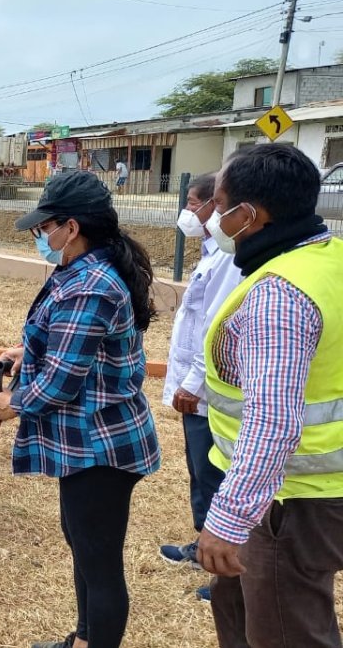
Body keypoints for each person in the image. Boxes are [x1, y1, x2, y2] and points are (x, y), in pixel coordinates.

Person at [0, 171, 160, 648]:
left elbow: (62, 381)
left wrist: (12, 403)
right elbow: (74, 346)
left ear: (71, 227)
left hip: (101, 445)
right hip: (84, 442)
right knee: (82, 546)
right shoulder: (79, 270)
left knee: (99, 563)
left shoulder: (91, 284)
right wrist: (27, 354)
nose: (41, 237)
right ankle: (83, 639)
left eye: (45, 228)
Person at [194, 144, 343, 648]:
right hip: (303, 488)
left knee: (288, 628)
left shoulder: (280, 294)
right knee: (238, 604)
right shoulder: (330, 260)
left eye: (218, 204)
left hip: (292, 497)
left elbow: (272, 419)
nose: (211, 216)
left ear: (249, 215)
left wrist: (230, 517)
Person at [157, 172, 242, 603]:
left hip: (206, 388)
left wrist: (192, 383)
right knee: (199, 468)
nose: (189, 212)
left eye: (196, 203)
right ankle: (204, 547)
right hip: (196, 383)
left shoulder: (228, 257)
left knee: (212, 471)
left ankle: (221, 563)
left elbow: (214, 324)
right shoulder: (212, 251)